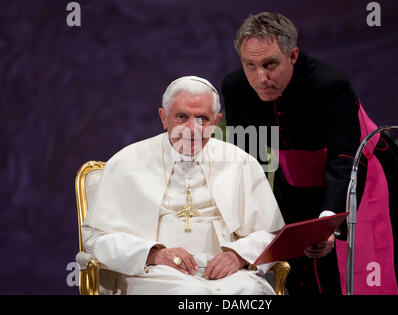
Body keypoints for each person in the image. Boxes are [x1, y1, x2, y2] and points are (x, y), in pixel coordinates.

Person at [221, 12, 398, 295]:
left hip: (359, 170)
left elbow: (344, 157)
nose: (260, 78)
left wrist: (328, 222)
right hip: (294, 175)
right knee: (301, 266)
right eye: (249, 65)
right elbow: (248, 157)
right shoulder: (235, 88)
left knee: (362, 269)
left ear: (292, 55)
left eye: (270, 65)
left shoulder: (330, 85)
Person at [81, 76, 285, 295]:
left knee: (251, 291)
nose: (192, 128)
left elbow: (272, 234)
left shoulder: (241, 163)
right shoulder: (127, 162)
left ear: (216, 122)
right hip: (154, 274)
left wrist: (238, 255)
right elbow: (95, 239)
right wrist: (152, 254)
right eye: (182, 117)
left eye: (202, 119)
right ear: (164, 118)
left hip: (228, 275)